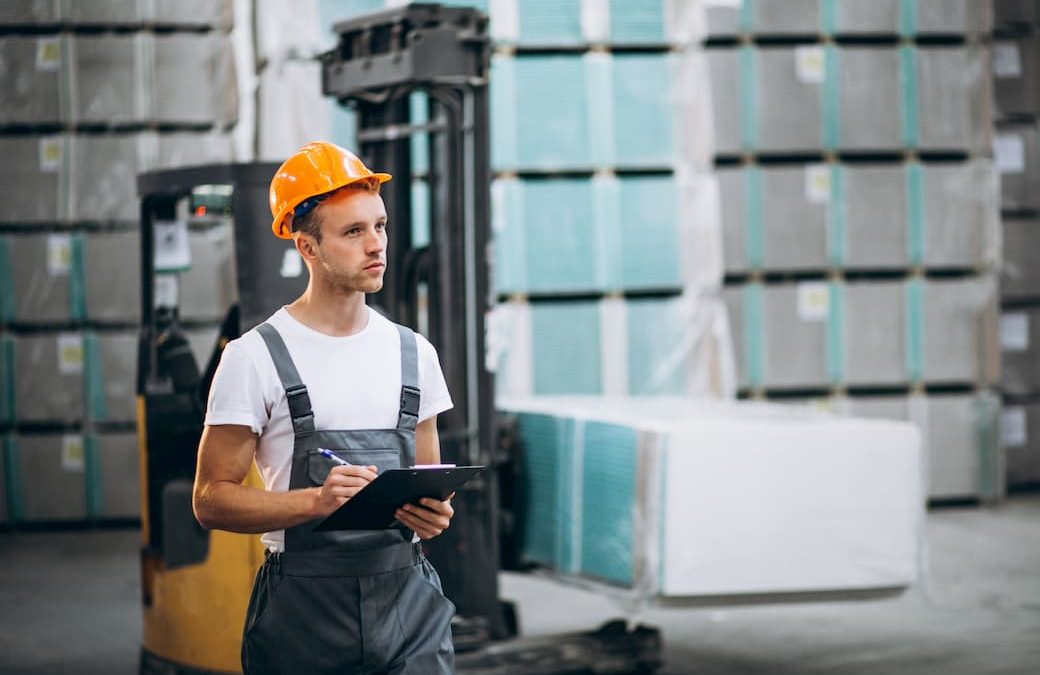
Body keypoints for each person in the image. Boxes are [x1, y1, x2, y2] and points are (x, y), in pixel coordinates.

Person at [192, 141, 457, 674]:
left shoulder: (414, 353)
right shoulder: (255, 358)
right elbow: (210, 500)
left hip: (409, 600)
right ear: (306, 247)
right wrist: (314, 502)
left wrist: (434, 513)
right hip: (303, 610)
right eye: (353, 232)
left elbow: (430, 479)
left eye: (379, 226)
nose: (375, 245)